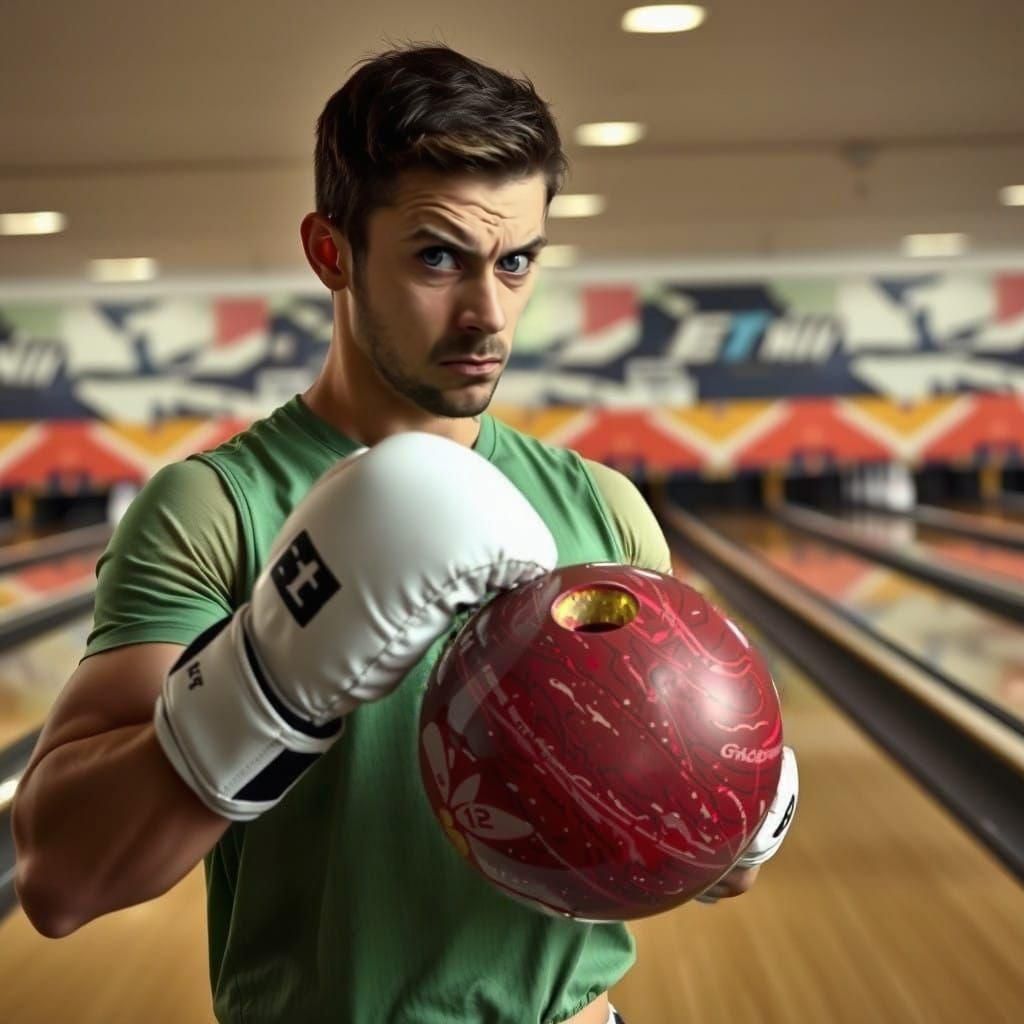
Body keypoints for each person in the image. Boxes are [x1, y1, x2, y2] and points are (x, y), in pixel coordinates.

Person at [12, 45, 768, 1024]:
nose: (487, 312)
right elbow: (60, 879)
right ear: (331, 251)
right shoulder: (213, 508)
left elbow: (698, 860)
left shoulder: (604, 506)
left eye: (518, 261)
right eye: (438, 256)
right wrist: (267, 679)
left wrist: (735, 792)